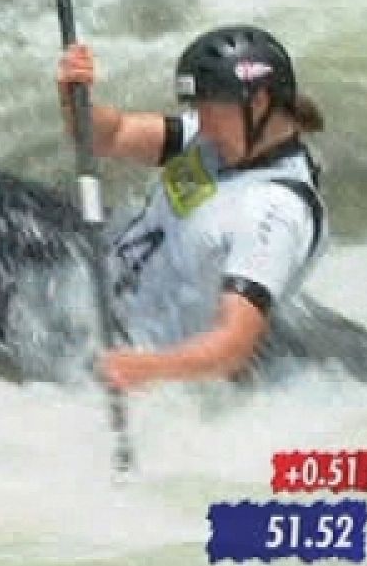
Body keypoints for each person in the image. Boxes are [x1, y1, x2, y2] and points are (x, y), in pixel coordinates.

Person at [55, 25, 329, 392]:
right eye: (195, 106)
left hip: (144, 357)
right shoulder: (213, 139)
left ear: (259, 102)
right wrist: (74, 97)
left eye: (209, 106)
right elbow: (110, 135)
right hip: (93, 301)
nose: (200, 119)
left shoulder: (274, 213)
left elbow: (234, 346)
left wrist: (143, 369)